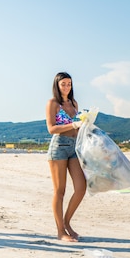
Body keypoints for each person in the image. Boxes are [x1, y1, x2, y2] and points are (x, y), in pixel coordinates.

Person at [45, 72, 86, 242]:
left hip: (74, 147)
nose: (67, 87)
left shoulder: (74, 103)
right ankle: (60, 231)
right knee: (60, 191)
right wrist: (72, 124)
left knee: (81, 187)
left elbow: (76, 128)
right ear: (57, 85)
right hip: (59, 148)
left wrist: (83, 125)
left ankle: (67, 222)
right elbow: (51, 129)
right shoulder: (53, 103)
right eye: (63, 84)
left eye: (69, 83)